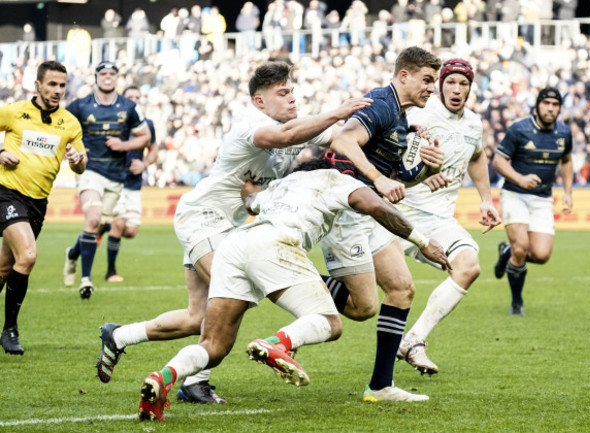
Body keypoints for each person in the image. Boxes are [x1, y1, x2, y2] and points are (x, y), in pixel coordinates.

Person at [94, 61, 372, 404]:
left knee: (199, 317)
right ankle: (196, 382)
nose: (291, 98)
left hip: (225, 226)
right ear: (259, 102)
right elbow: (286, 137)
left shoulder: (299, 126)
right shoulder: (251, 124)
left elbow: (345, 138)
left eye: (292, 91)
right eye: (281, 93)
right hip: (204, 217)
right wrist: (337, 111)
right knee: (236, 296)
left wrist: (395, 145)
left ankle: (119, 335)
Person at [137, 158, 451, 422]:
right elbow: (374, 206)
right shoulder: (335, 179)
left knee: (214, 344)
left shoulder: (282, 186)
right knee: (330, 322)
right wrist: (423, 242)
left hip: (234, 244)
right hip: (275, 243)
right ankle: (277, 343)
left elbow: (250, 201)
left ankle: (163, 377)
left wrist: (250, 191)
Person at [321, 46, 445, 402]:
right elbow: (343, 140)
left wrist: (426, 170)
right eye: (426, 80)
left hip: (369, 211)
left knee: (402, 289)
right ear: (403, 75)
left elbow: (395, 182)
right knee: (362, 307)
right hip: (347, 208)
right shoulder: (380, 102)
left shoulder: (401, 121)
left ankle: (381, 386)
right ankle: (291, 281)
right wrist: (377, 179)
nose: (430, 88)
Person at [391, 58, 501, 375]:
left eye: (463, 84)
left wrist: (486, 201)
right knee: (361, 298)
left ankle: (413, 340)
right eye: (450, 82)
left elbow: (477, 157)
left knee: (469, 265)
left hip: (437, 220)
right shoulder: (418, 114)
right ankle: (304, 326)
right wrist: (419, 176)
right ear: (440, 85)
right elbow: (393, 156)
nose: (456, 89)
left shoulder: (472, 124)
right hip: (396, 214)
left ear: (470, 88)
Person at [0, 60, 86, 354]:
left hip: (38, 203)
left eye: (62, 85)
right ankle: (10, 329)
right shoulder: (14, 111)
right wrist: (0, 152)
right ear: (37, 85)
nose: (57, 90)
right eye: (52, 84)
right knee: (28, 255)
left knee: (4, 267)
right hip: (7, 193)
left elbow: (81, 166)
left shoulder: (70, 123)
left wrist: (78, 161)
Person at [62, 61, 151, 299]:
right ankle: (86, 279)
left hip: (116, 176)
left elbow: (145, 137)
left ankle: (72, 254)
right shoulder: (80, 105)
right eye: (104, 73)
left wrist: (123, 144)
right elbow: (60, 129)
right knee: (92, 219)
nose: (108, 77)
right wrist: (74, 148)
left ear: (117, 78)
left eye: (112, 73)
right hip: (89, 171)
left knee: (98, 225)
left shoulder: (129, 107)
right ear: (96, 77)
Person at [493, 87, 573, 316]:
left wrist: (568, 192)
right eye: (546, 103)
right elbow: (498, 162)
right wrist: (520, 178)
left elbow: (567, 161)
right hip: (514, 194)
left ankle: (506, 252)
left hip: (542, 198)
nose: (551, 108)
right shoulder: (520, 129)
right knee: (522, 248)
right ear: (537, 106)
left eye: (555, 104)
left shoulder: (564, 133)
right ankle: (517, 302)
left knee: (541, 255)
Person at [102, 86, 158, 282]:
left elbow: (153, 150)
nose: (134, 99)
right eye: (130, 97)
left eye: (137, 96)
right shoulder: (113, 122)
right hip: (115, 181)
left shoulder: (147, 125)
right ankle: (110, 272)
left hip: (134, 183)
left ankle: (102, 228)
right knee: (119, 223)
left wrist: (144, 164)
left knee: (131, 231)